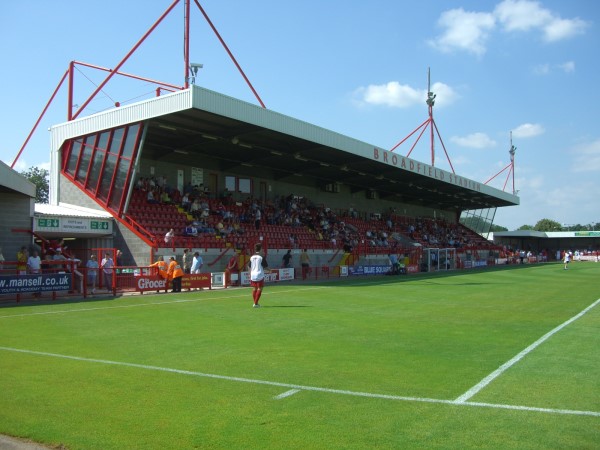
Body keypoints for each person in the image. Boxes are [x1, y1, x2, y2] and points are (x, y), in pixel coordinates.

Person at [249, 243, 269, 308]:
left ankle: (255, 303)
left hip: (253, 274)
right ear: (260, 249)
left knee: (254, 288)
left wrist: (250, 274)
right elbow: (265, 267)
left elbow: (249, 266)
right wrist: (270, 270)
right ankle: (256, 303)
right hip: (259, 274)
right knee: (260, 288)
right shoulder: (261, 257)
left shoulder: (251, 257)